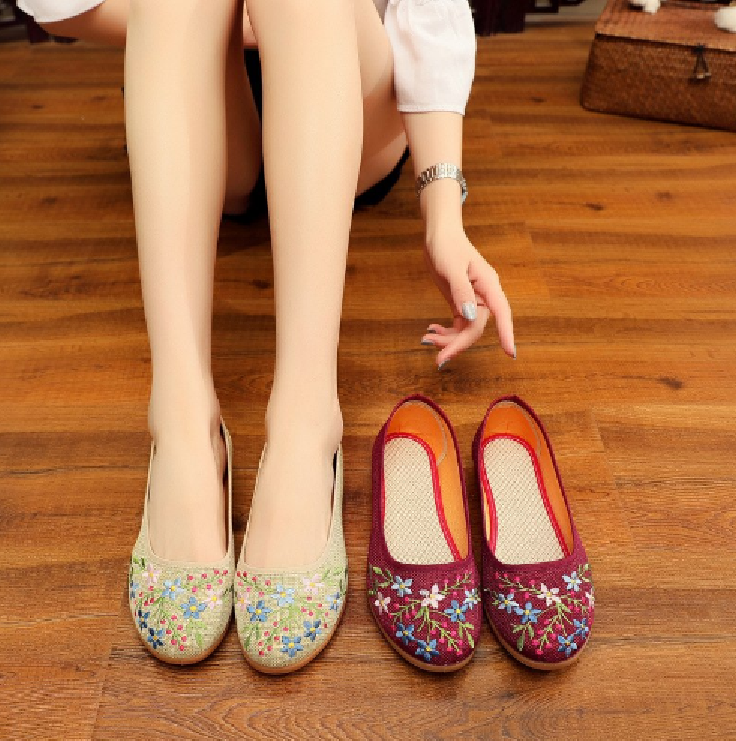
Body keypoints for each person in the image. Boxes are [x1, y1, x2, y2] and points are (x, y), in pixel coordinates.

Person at [22, 0, 515, 575]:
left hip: (344, 75)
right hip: (196, 78)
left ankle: (305, 424)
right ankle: (182, 424)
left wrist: (442, 214)